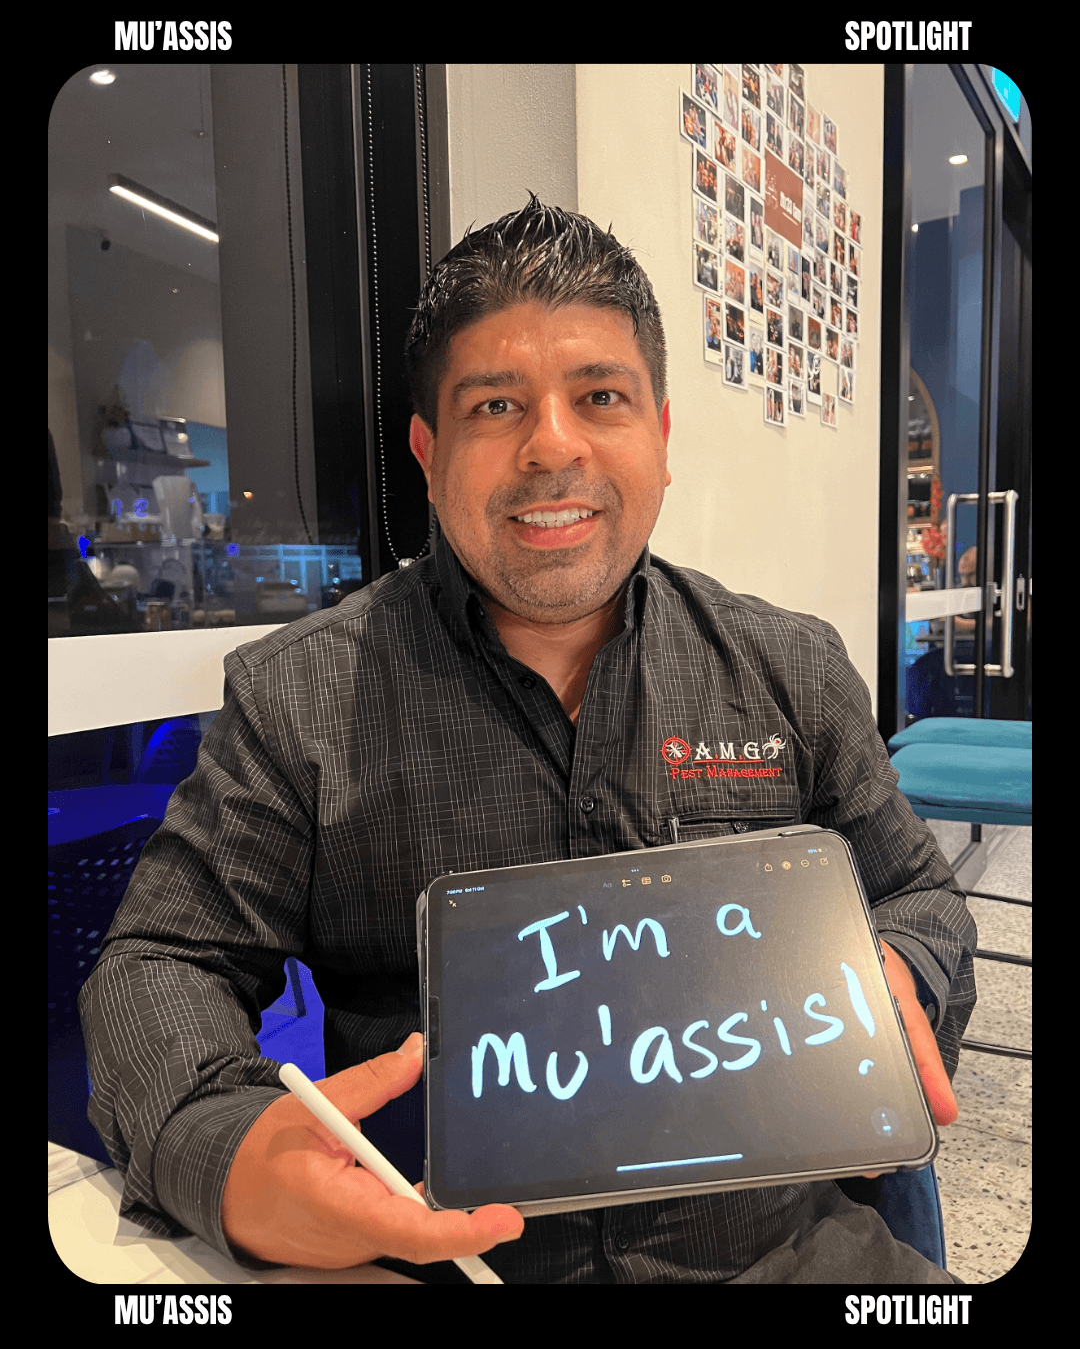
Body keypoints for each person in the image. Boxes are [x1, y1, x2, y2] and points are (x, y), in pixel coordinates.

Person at [80, 196, 974, 1284]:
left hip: (785, 1253)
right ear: (429, 451)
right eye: (496, 405)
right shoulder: (297, 700)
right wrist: (228, 1155)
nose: (553, 445)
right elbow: (160, 961)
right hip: (450, 1260)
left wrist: (899, 971)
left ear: (660, 436)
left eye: (601, 396)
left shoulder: (792, 668)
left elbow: (919, 895)